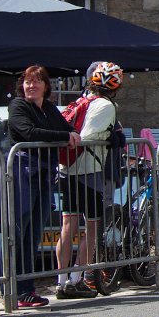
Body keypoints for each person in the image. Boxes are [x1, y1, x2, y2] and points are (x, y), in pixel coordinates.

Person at [8, 66, 81, 308]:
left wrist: (71, 134)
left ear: (45, 86)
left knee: (34, 234)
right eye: (28, 82)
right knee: (19, 232)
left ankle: (27, 290)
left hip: (43, 175)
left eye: (36, 82)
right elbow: (28, 133)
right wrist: (63, 138)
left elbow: (67, 127)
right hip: (22, 174)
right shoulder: (18, 106)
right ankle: (16, 290)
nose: (31, 86)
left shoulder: (48, 108)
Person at [55, 61, 122, 300]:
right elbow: (88, 136)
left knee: (68, 226)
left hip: (66, 170)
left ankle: (61, 280)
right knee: (91, 228)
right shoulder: (105, 105)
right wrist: (111, 135)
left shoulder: (81, 101)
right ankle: (76, 279)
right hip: (88, 171)